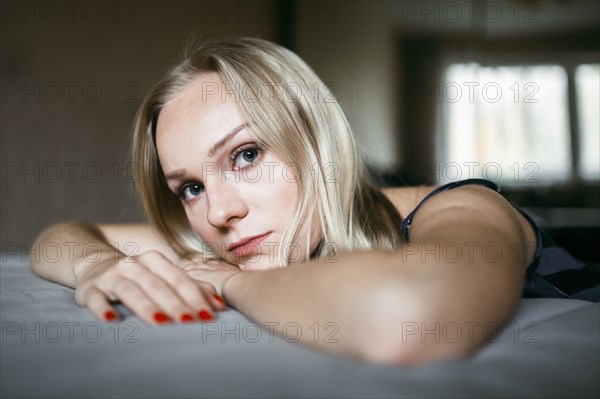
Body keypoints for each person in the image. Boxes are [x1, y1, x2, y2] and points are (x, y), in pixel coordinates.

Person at [30, 37, 599, 365]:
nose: (219, 212)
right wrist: (99, 265)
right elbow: (62, 236)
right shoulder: (233, 233)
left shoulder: (463, 208)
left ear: (317, 143)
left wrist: (225, 282)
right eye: (191, 188)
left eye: (246, 155)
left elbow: (413, 318)